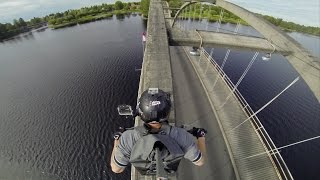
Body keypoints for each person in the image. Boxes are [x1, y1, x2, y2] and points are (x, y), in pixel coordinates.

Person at [110, 88, 207, 174]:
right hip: (167, 169)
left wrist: (117, 140)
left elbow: (116, 169)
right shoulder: (181, 135)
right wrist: (201, 136)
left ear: (141, 113)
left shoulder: (129, 137)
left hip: (146, 169)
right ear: (167, 112)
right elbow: (200, 161)